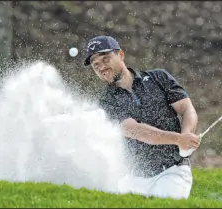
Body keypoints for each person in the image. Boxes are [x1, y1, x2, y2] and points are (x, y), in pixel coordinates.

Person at [83, 35, 201, 199]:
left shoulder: (158, 78)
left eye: (106, 59)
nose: (101, 67)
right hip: (132, 180)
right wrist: (178, 139)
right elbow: (134, 130)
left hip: (172, 170)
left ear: (121, 55)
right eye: (96, 65)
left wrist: (186, 137)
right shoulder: (106, 102)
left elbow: (187, 109)